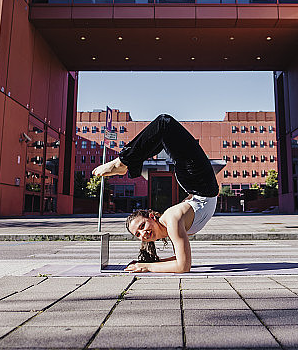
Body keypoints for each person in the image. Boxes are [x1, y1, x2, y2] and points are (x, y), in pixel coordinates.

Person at [92, 114, 219, 273]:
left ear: (152, 216)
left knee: (164, 124)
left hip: (198, 181)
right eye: (138, 234)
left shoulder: (172, 219)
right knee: (163, 132)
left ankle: (123, 162)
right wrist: (152, 263)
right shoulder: (172, 226)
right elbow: (182, 261)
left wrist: (146, 266)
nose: (143, 234)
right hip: (200, 185)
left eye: (142, 226)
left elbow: (183, 266)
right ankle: (129, 165)